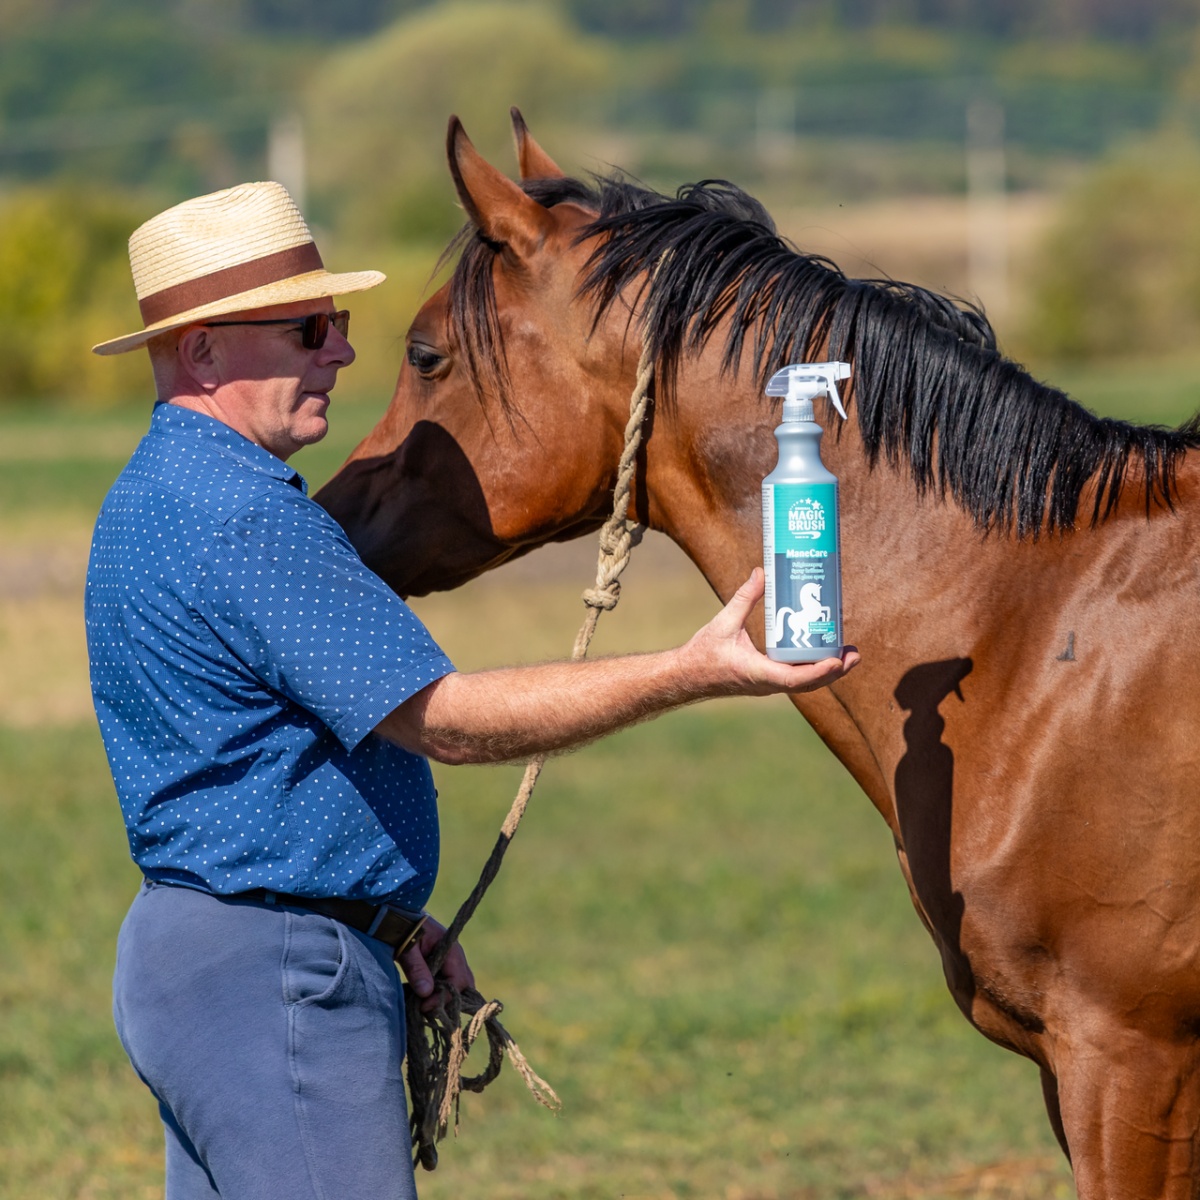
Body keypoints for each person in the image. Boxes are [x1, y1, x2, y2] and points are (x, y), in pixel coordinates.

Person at [85, 181, 859, 1200]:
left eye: (340, 322)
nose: (343, 351)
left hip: (214, 957)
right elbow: (443, 721)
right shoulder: (248, 521)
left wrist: (383, 921)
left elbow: (251, 763)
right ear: (206, 352)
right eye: (311, 327)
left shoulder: (154, 492)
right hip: (273, 981)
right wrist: (692, 668)